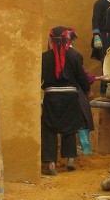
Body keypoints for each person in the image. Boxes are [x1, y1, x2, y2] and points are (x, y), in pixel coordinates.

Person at [41, 26, 91, 175]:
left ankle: (50, 165)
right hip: (70, 97)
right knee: (70, 127)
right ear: (66, 40)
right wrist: (88, 91)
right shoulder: (75, 56)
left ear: (50, 40)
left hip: (51, 97)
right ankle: (70, 159)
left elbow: (37, 78)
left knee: (49, 128)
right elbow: (82, 78)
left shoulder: (44, 57)